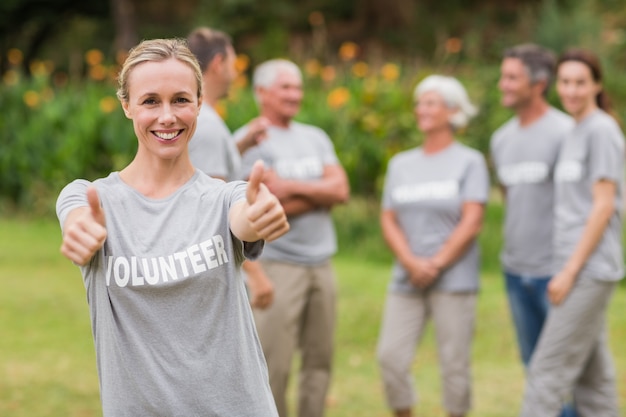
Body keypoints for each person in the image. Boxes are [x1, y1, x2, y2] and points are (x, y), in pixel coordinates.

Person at [55, 38, 289, 417]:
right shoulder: (92, 199)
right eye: (150, 101)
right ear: (126, 105)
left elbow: (243, 217)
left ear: (200, 103)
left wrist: (258, 213)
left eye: (180, 100)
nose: (167, 116)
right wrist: (81, 232)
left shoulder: (223, 197)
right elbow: (77, 216)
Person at [235, 58, 350, 417]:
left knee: (320, 360)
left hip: (322, 264)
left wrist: (290, 186)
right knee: (275, 365)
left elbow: (341, 189)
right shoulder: (246, 142)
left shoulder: (315, 137)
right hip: (276, 265)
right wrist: (317, 195)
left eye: (298, 87)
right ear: (262, 92)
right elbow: (265, 205)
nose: (295, 94)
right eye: (286, 87)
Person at [376, 75, 489, 417]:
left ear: (453, 111)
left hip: (453, 278)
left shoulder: (469, 161)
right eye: (419, 102)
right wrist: (412, 263)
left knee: (454, 366)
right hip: (407, 277)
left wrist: (436, 263)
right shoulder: (401, 164)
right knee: (390, 357)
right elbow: (388, 218)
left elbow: (472, 221)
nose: (421, 109)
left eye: (430, 102)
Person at [520, 48, 624, 417]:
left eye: (580, 82)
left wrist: (568, 270)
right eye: (565, 82)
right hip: (573, 266)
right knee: (594, 380)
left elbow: (603, 205)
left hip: (588, 270)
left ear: (597, 84)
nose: (572, 90)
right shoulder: (574, 131)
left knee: (545, 373)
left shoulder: (602, 130)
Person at [489, 44, 577, 416]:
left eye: (512, 77)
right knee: (533, 366)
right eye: (503, 76)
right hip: (516, 271)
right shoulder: (500, 139)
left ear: (538, 84)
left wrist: (569, 267)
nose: (502, 84)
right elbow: (512, 198)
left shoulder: (566, 132)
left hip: (557, 273)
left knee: (565, 374)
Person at [186, 27, 274, 309]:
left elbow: (198, 173)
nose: (235, 74)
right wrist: (256, 273)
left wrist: (241, 144)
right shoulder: (208, 125)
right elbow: (214, 207)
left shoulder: (203, 117)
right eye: (233, 65)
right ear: (217, 64)